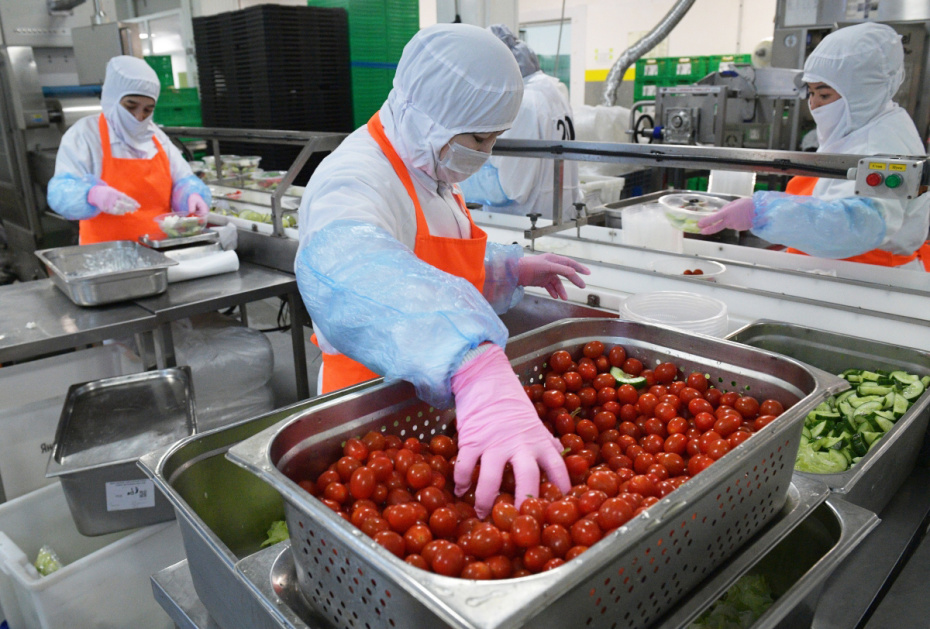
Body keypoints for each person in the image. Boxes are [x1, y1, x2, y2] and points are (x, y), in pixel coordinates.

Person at [295, 24, 592, 518]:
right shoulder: (354, 177)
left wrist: (508, 267)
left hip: (434, 402)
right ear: (430, 115)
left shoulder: (432, 165)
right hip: (368, 403)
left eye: (494, 138)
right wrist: (472, 363)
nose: (487, 152)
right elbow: (353, 271)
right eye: (480, 137)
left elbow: (430, 261)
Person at [698, 23, 930, 270]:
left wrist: (764, 212)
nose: (815, 104)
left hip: (871, 280)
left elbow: (858, 226)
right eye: (810, 93)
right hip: (835, 270)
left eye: (825, 95)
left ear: (863, 93)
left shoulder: (883, 141)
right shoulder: (856, 129)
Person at [47, 56, 211, 245]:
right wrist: (91, 194)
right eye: (130, 106)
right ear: (111, 99)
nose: (138, 117)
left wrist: (191, 194)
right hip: (105, 253)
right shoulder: (85, 135)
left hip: (160, 248)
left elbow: (183, 179)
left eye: (147, 110)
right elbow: (61, 192)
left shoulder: (157, 137)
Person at [459, 24, 582, 220]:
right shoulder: (553, 88)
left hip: (526, 224)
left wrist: (454, 181)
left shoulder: (522, 102)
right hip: (558, 214)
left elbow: (508, 189)